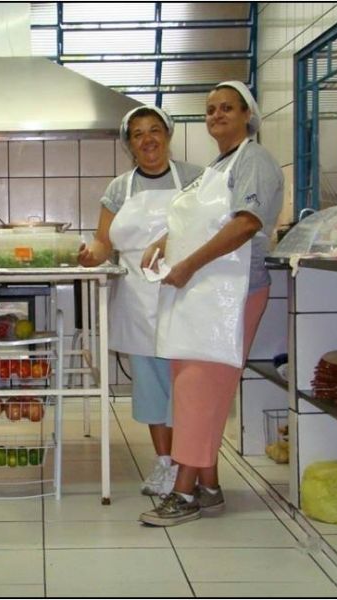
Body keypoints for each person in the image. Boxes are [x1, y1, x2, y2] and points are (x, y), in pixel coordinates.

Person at [138, 81, 284, 526]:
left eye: (227, 108)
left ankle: (183, 493)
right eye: (210, 109)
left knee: (201, 391)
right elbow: (200, 223)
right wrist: (164, 243)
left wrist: (188, 265)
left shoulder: (254, 160)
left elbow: (246, 223)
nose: (217, 115)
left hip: (232, 293)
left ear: (247, 114)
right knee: (192, 390)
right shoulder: (217, 167)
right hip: (204, 292)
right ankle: (210, 487)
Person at [78, 106, 202, 496]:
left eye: (154, 130)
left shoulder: (195, 179)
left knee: (187, 385)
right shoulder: (119, 189)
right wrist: (91, 256)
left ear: (168, 134)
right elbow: (104, 242)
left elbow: (209, 229)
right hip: (137, 298)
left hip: (186, 292)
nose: (147, 139)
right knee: (149, 386)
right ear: (129, 144)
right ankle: (165, 463)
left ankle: (189, 463)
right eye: (137, 134)